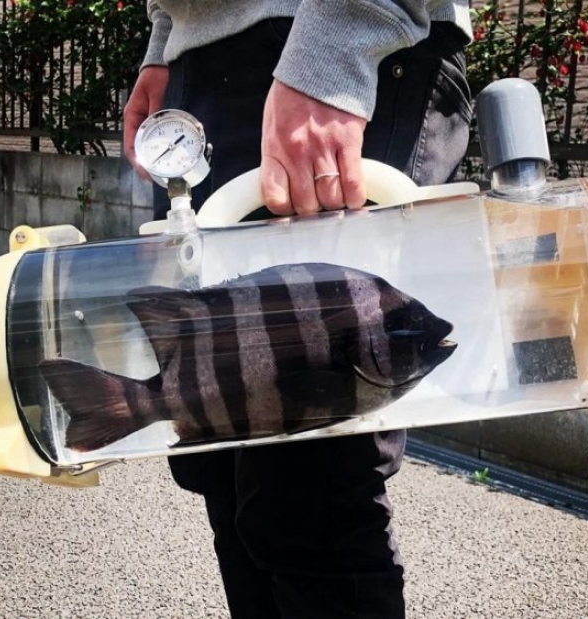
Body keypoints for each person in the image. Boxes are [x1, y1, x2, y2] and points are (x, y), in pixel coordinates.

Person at [122, 2, 473, 617]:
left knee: (312, 501)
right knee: (230, 478)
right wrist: (167, 44)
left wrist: (335, 50)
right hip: (206, 67)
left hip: (315, 44)